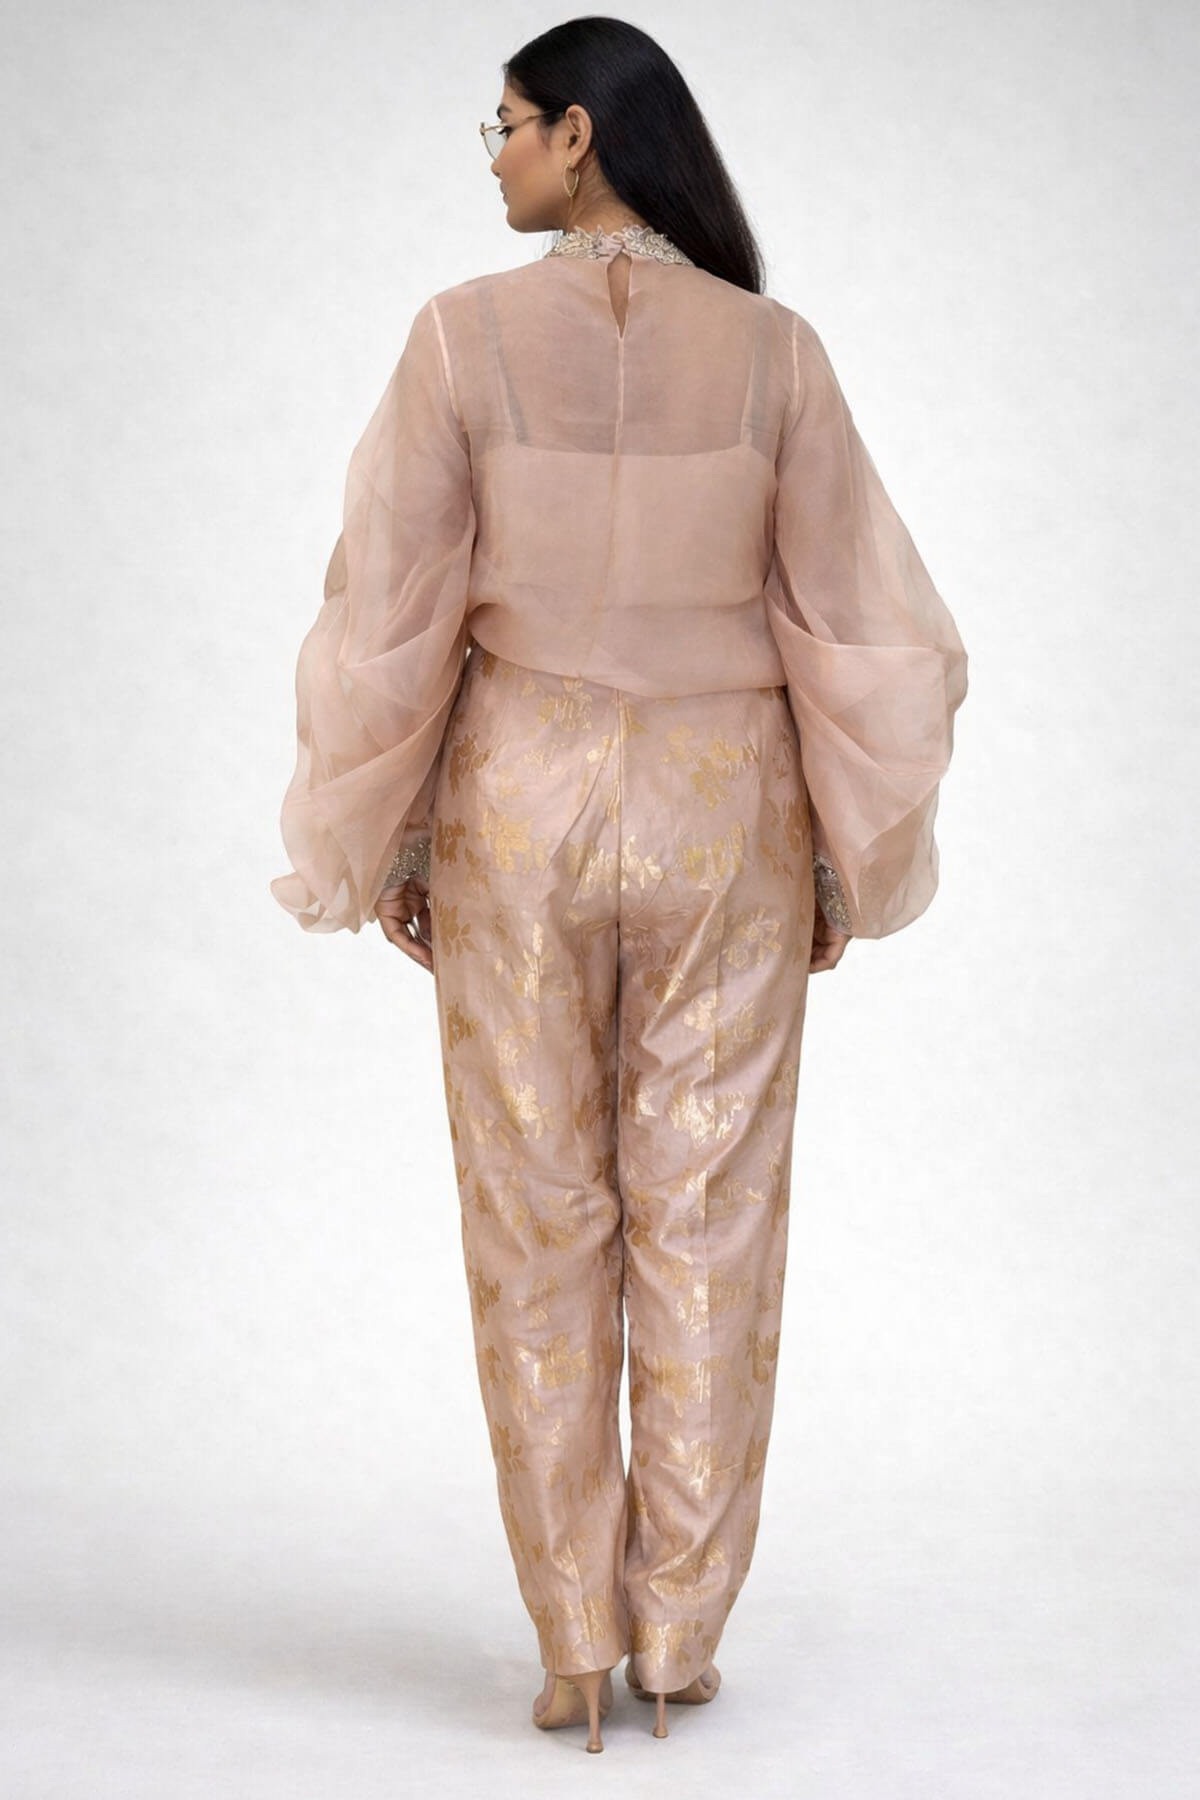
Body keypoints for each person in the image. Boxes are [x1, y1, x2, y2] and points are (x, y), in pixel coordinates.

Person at [270, 17, 968, 1754]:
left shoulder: (462, 337)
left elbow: (388, 613)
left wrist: (386, 835)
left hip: (521, 796)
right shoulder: (774, 352)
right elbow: (857, 619)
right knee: (710, 1214)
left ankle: (572, 1645)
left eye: (507, 123)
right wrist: (843, 847)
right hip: (727, 805)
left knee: (536, 1217)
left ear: (579, 135)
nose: (495, 151)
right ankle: (676, 1643)